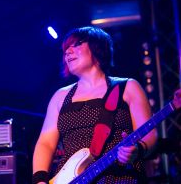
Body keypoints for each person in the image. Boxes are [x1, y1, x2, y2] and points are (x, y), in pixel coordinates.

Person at [32, 26, 158, 183]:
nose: (68, 52)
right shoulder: (60, 96)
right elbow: (46, 143)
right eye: (66, 49)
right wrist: (40, 180)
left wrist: (138, 150)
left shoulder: (128, 87)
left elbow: (150, 135)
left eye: (76, 44)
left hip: (119, 177)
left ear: (97, 48)